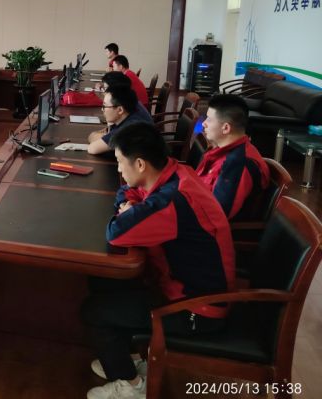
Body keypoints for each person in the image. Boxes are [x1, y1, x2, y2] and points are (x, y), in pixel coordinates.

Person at [82, 122, 234, 399]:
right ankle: (126, 360)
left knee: (95, 310)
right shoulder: (175, 173)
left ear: (140, 164)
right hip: (183, 288)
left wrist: (128, 212)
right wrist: (129, 206)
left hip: (197, 310)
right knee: (104, 279)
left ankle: (131, 385)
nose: (119, 170)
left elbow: (118, 232)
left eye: (120, 162)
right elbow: (127, 192)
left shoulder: (173, 201)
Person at [196, 93, 269, 219]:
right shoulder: (221, 149)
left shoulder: (239, 164)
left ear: (226, 128)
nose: (203, 124)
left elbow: (217, 214)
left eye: (209, 119)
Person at [87, 86, 152, 155]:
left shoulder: (129, 129)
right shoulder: (131, 112)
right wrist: (106, 135)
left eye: (104, 106)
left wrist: (100, 136)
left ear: (120, 110)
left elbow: (93, 148)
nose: (102, 109)